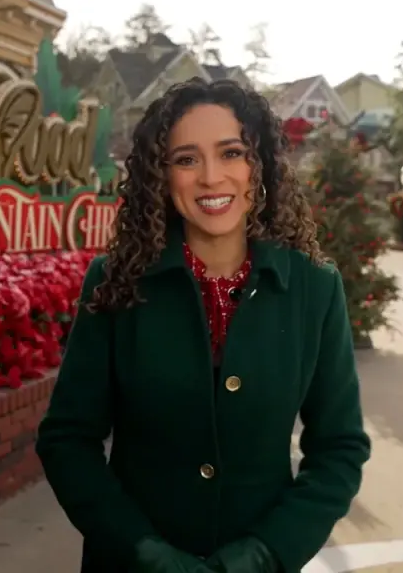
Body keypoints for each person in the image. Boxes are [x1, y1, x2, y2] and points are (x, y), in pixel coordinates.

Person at [35, 77, 371, 573]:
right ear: (161, 175)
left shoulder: (313, 289)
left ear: (260, 165)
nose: (212, 177)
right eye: (187, 159)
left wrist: (265, 553)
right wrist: (141, 550)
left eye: (231, 152)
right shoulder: (115, 283)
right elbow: (66, 440)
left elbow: (339, 448)